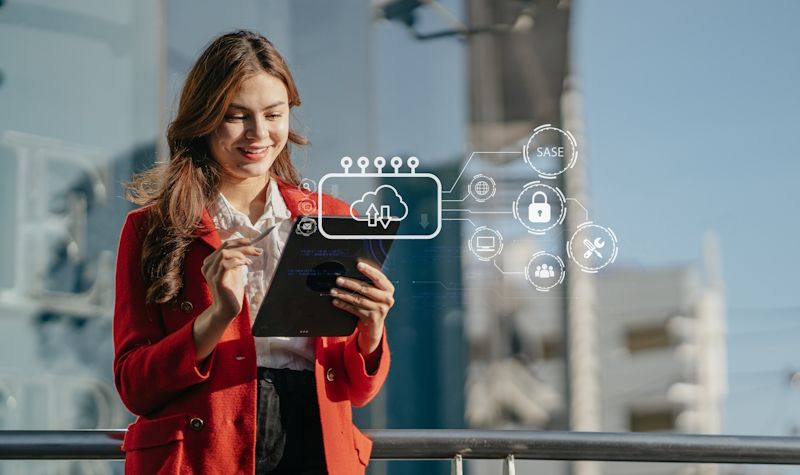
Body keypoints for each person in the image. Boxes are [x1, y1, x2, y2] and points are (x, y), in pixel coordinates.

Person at [113, 30, 394, 475]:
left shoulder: (331, 217)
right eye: (236, 116)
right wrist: (216, 316)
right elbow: (135, 387)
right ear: (204, 120)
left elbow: (357, 391)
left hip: (317, 445)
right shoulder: (153, 228)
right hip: (206, 452)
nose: (259, 134)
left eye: (273, 114)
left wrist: (371, 331)